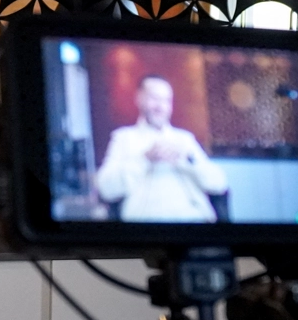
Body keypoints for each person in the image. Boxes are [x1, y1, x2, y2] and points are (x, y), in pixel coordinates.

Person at [95, 75, 228, 222]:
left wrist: (189, 159)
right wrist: (144, 159)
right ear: (139, 99)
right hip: (147, 223)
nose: (160, 107)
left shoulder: (184, 139)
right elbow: (106, 189)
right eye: (154, 98)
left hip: (194, 219)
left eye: (166, 100)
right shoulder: (124, 138)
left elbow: (219, 184)